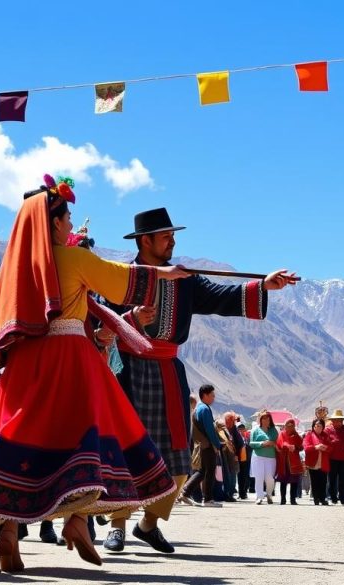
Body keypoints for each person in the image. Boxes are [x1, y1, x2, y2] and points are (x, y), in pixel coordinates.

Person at [0, 176, 187, 571]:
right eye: (66, 218)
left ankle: (10, 532)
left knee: (25, 441)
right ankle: (77, 521)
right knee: (84, 440)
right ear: (54, 222)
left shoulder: (15, 267)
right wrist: (166, 274)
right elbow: (120, 281)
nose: (69, 225)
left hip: (26, 361)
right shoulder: (72, 259)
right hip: (70, 355)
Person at [104, 208, 297, 552]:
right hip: (129, 371)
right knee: (124, 449)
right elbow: (102, 318)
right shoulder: (122, 277)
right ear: (145, 241)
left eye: (173, 235)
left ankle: (149, 524)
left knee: (177, 455)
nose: (173, 241)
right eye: (166, 236)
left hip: (169, 372)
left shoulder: (185, 280)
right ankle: (117, 525)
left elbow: (220, 297)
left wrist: (263, 285)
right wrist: (130, 317)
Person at [178, 384, 223, 507]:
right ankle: (208, 499)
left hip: (200, 445)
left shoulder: (198, 408)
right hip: (207, 445)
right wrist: (217, 444)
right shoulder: (205, 409)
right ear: (205, 395)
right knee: (209, 471)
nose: (214, 398)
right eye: (212, 395)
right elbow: (210, 430)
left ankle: (185, 493)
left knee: (202, 471)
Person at [249, 411, 279, 504]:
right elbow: (251, 443)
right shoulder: (255, 430)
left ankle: (269, 494)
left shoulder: (274, 430)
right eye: (264, 418)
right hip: (258, 457)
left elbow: (276, 441)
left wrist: (272, 443)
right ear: (260, 420)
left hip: (271, 457)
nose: (266, 420)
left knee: (270, 478)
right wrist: (262, 443)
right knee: (259, 477)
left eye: (268, 418)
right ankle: (259, 496)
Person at [325, 409, 344, 505]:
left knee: (343, 479)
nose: (339, 422)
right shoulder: (328, 429)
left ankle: (343, 498)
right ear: (332, 421)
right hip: (332, 458)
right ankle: (333, 497)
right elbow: (325, 442)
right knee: (332, 479)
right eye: (336, 420)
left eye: (340, 420)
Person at [303, 418, 332, 506]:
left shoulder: (326, 435)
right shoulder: (309, 435)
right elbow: (306, 448)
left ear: (323, 427)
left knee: (323, 481)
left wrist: (325, 448)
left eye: (320, 425)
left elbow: (331, 448)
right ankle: (316, 499)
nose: (318, 427)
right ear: (313, 426)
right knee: (314, 481)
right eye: (316, 425)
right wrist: (316, 447)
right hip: (313, 462)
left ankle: (323, 499)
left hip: (323, 462)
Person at [275, 419, 304, 505]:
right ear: (285, 426)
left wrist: (295, 446)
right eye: (288, 426)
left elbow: (301, 446)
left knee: (294, 481)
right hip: (284, 461)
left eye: (292, 426)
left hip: (294, 461)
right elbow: (281, 443)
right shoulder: (282, 433)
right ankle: (283, 499)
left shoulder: (296, 435)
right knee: (283, 481)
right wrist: (288, 446)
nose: (290, 427)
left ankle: (293, 499)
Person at [236, 421, 251, 499]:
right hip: (239, 460)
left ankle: (244, 492)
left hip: (247, 460)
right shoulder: (235, 438)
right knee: (239, 477)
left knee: (246, 476)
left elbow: (251, 446)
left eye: (242, 429)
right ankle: (240, 493)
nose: (241, 430)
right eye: (239, 429)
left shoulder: (248, 438)